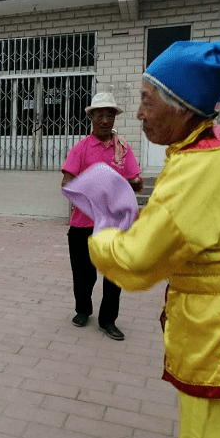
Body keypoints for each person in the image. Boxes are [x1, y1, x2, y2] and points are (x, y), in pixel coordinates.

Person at [87, 41, 220, 438]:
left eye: (146, 101)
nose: (138, 114)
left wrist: (102, 236)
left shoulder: (199, 168)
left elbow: (138, 260)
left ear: (184, 107)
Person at [61, 92, 143, 341]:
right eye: (100, 116)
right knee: (83, 274)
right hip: (83, 223)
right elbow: (67, 182)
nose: (105, 120)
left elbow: (136, 182)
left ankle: (108, 320)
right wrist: (93, 196)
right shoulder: (81, 148)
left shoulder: (123, 149)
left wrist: (131, 183)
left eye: (109, 115)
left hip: (115, 225)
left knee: (114, 275)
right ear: (92, 118)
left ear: (114, 119)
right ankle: (83, 310)